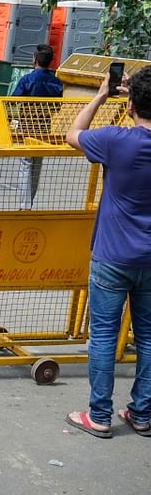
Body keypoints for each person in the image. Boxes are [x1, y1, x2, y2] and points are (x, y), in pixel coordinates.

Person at [64, 66, 151, 439]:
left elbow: (73, 135)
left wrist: (100, 94)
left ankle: (99, 415)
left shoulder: (117, 141)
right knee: (148, 336)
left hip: (113, 256)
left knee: (102, 334)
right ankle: (142, 413)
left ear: (130, 104)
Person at [11, 44, 64, 209]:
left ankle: (25, 205)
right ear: (50, 61)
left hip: (27, 125)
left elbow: (14, 100)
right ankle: (29, 202)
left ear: (34, 59)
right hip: (44, 127)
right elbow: (57, 107)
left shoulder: (27, 79)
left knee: (25, 164)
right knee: (36, 166)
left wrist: (12, 119)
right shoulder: (57, 82)